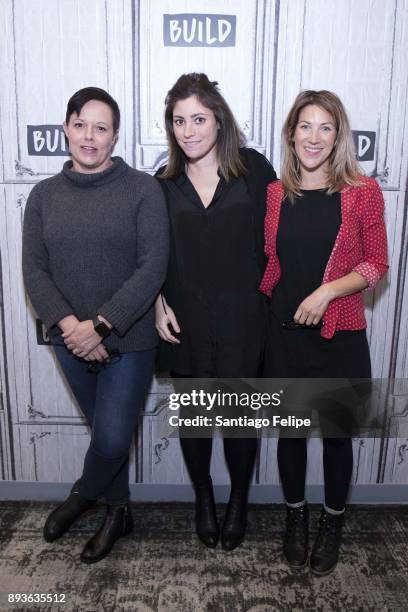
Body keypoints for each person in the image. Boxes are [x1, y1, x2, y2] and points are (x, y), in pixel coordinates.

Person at [22, 87, 169, 563]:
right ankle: (118, 511)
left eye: (101, 128)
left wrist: (101, 326)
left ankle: (83, 494)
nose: (90, 137)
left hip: (129, 338)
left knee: (109, 436)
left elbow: (153, 265)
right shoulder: (43, 196)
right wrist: (72, 328)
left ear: (115, 136)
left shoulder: (143, 189)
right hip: (68, 339)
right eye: (81, 125)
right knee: (106, 433)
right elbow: (34, 271)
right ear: (66, 127)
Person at [259, 90, 388, 574]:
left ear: (338, 137)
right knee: (290, 436)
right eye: (305, 127)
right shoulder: (275, 193)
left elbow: (377, 263)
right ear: (292, 134)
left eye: (325, 128)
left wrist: (328, 290)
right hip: (285, 336)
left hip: (340, 337)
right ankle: (296, 518)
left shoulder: (362, 190)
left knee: (337, 438)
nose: (314, 138)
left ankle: (332, 523)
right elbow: (272, 262)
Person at [155, 73, 277, 550]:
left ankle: (239, 502)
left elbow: (281, 239)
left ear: (219, 120)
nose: (189, 130)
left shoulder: (254, 169)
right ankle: (204, 500)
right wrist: (156, 301)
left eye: (198, 118)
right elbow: (152, 254)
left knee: (241, 423)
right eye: (179, 120)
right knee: (197, 421)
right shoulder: (163, 185)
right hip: (187, 320)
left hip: (246, 319)